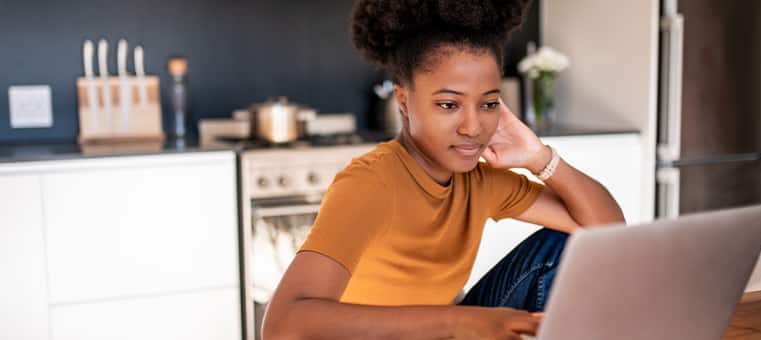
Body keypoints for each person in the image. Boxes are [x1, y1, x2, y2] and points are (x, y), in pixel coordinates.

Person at [261, 0, 626, 338]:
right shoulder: (370, 183)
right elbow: (283, 324)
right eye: (449, 104)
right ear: (403, 100)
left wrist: (539, 158)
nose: (473, 127)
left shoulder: (480, 179)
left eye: (488, 104)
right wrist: (463, 320)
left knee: (563, 242)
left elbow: (606, 231)